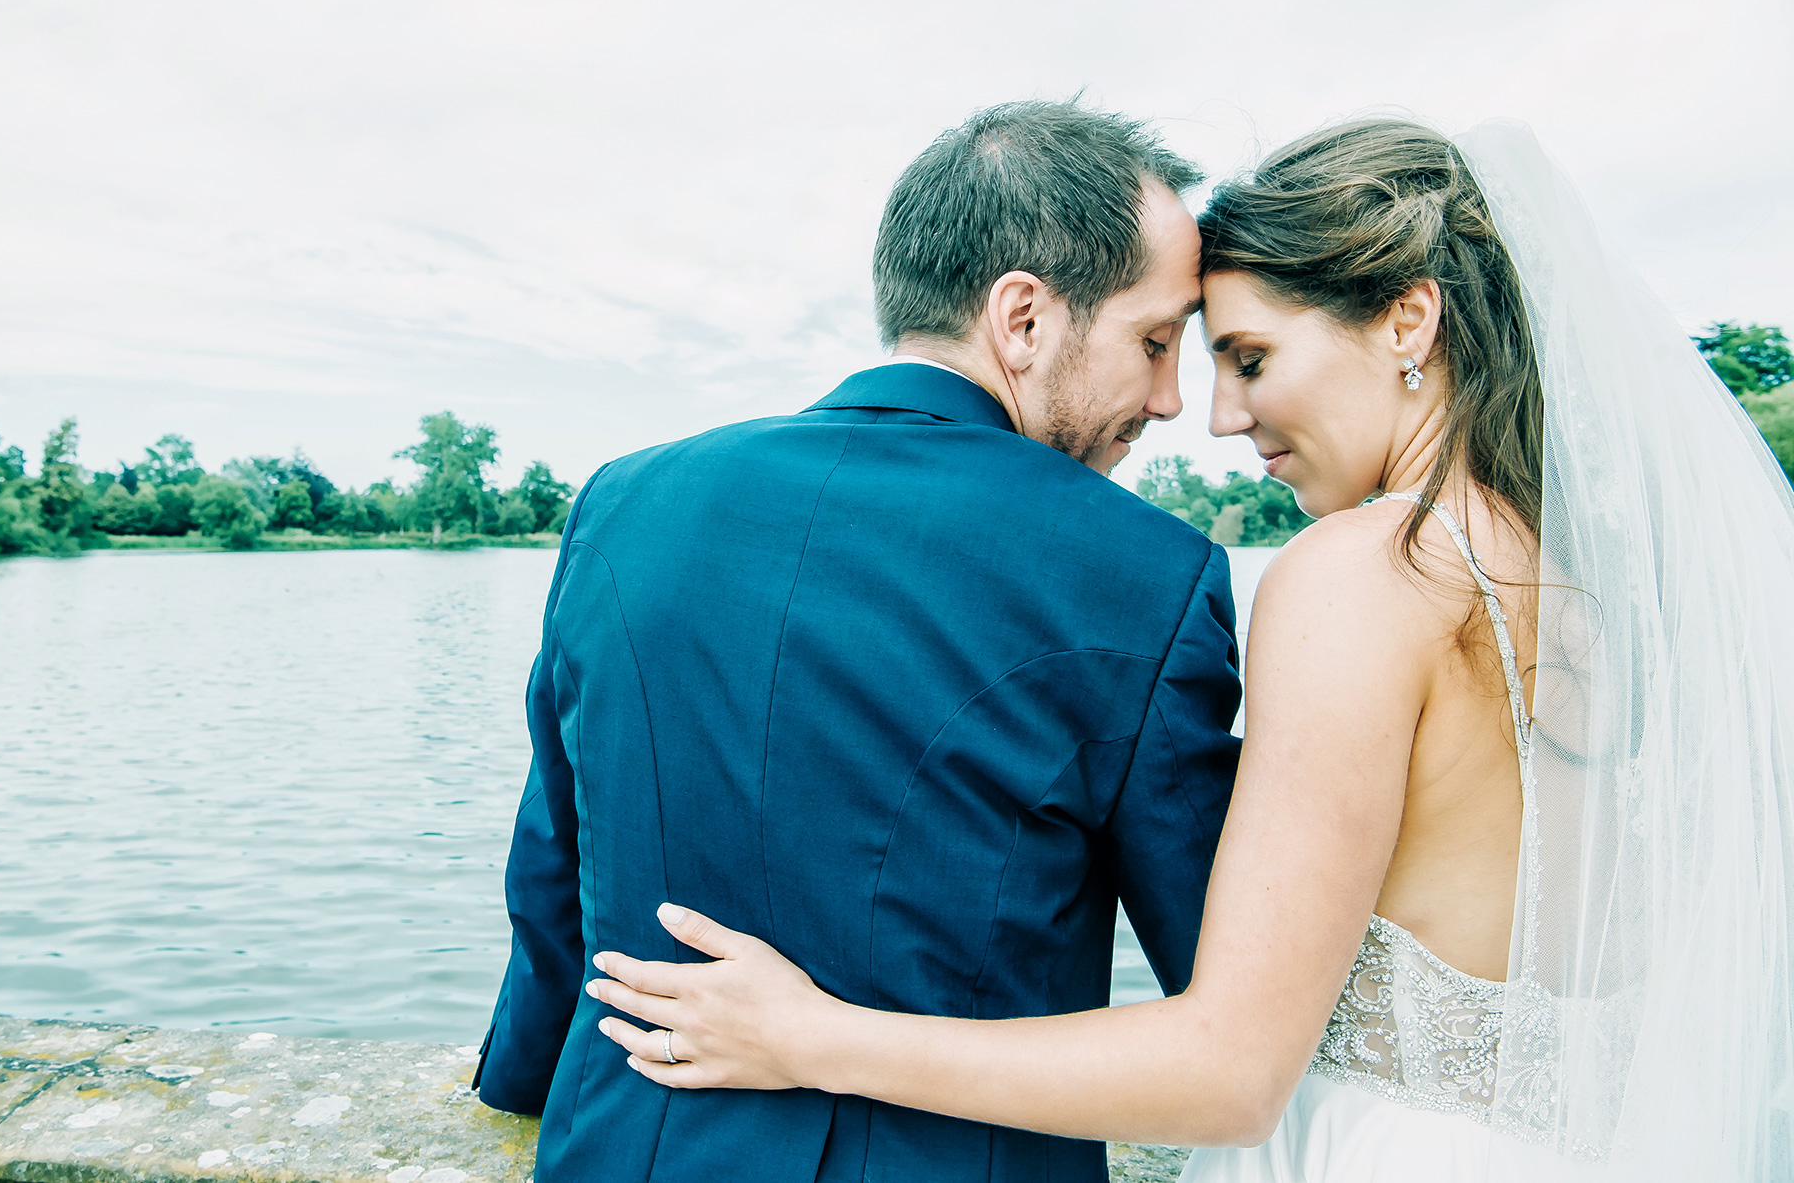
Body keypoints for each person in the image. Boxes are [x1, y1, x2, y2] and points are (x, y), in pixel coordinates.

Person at [586, 120, 1794, 1181]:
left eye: (1247, 356)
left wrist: (806, 1034)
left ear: (1408, 319)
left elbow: (1226, 1062)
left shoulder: (1363, 570)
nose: (1212, 412)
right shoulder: (1618, 587)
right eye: (1179, 348)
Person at [472, 100, 1246, 1182]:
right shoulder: (1146, 574)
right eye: (1155, 341)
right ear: (1021, 316)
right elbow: (1224, 975)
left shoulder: (625, 503)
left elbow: (555, 867)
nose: (1168, 398)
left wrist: (516, 1083)